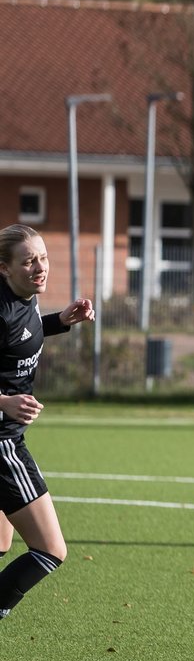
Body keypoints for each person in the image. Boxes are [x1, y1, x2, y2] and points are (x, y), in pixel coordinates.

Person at [0, 224, 95, 621]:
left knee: (0, 544)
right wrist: (3, 402)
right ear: (3, 269)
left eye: (43, 257)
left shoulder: (23, 297)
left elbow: (22, 334)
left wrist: (61, 320)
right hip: (2, 444)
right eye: (28, 261)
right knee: (50, 550)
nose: (40, 267)